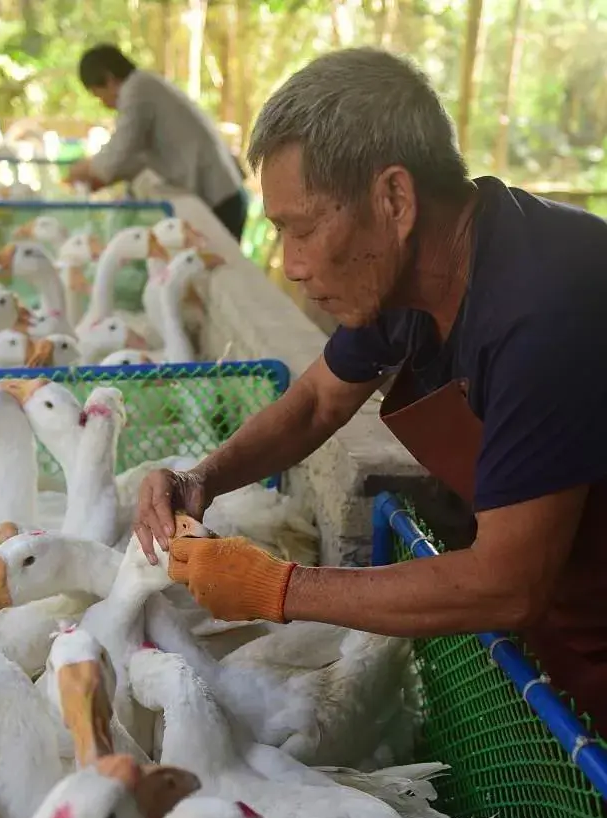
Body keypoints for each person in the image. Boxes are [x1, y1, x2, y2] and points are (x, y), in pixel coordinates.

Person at [134, 46, 607, 736]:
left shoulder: (546, 307)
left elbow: (509, 581)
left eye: (303, 228)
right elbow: (316, 403)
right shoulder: (410, 281)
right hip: (565, 614)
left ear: (395, 200)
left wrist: (279, 588)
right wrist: (201, 480)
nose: (292, 265)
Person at [68, 44, 249, 242]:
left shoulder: (138, 91)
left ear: (109, 78)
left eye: (98, 94)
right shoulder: (145, 86)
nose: (102, 103)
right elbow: (134, 159)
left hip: (220, 199)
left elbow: (119, 152)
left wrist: (85, 169)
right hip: (221, 195)